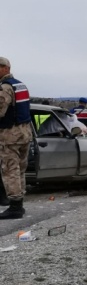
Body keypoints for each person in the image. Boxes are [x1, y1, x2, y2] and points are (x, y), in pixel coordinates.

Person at [0, 57, 33, 219]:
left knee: (10, 170)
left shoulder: (5, 87)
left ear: (5, 68)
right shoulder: (21, 85)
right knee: (20, 169)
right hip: (25, 133)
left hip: (10, 135)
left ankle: (15, 207)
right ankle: (19, 204)